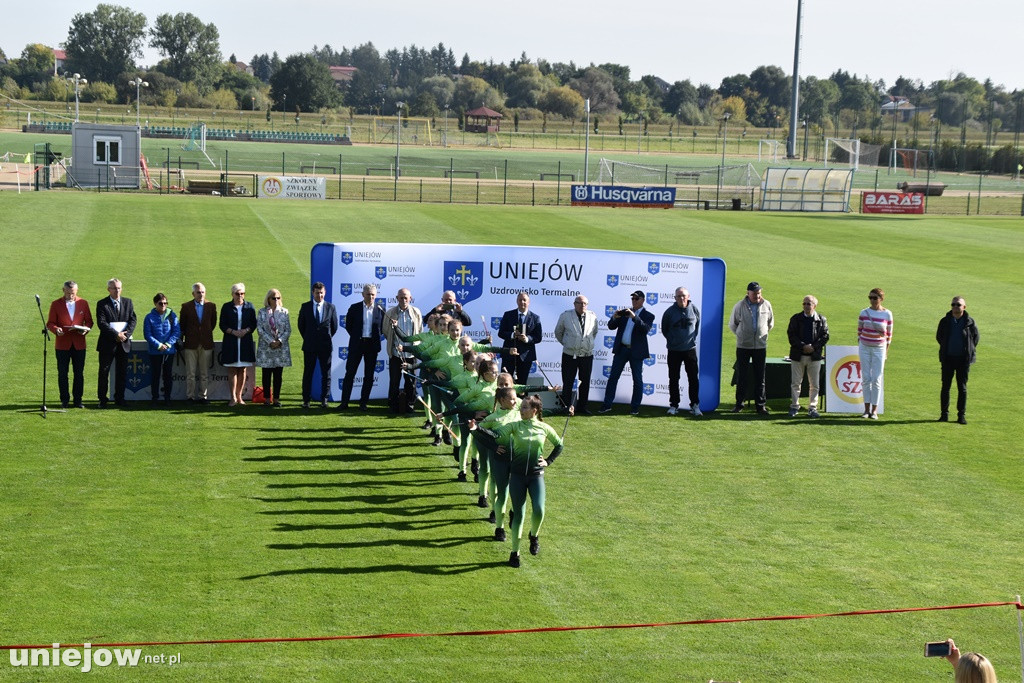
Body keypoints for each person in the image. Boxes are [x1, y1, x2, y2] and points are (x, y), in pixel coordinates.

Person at [476, 395, 564, 568]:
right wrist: (477, 428)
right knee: (519, 515)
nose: (520, 410)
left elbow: (559, 444)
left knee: (539, 510)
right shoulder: (514, 426)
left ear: (534, 410)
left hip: (536, 476)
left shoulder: (544, 428)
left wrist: (548, 461)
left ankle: (534, 536)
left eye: (524, 407)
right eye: (521, 406)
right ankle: (515, 552)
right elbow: (495, 434)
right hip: (516, 476)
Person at [599, 290, 656, 416]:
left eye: (636, 299)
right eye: (632, 299)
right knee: (613, 377)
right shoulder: (625, 313)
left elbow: (645, 329)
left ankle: (635, 407)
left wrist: (634, 317)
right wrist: (614, 317)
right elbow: (611, 326)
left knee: (637, 380)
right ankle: (607, 405)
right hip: (622, 349)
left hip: (636, 352)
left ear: (643, 300)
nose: (634, 301)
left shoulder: (648, 315)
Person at [729, 281, 774, 415]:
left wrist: (761, 335)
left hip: (760, 346)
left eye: (759, 293)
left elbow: (770, 323)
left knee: (760, 377)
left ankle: (760, 405)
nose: (757, 296)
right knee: (742, 376)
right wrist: (741, 335)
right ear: (748, 293)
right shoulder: (739, 305)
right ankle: (739, 404)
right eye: (754, 293)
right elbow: (733, 324)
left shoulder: (767, 304)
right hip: (743, 346)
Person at [46, 280, 93, 409]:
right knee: (62, 373)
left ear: (76, 291)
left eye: (72, 293)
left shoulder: (83, 303)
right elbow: (50, 323)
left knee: (79, 373)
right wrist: (56, 330)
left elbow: (89, 321)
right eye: (68, 293)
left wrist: (85, 330)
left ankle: (78, 400)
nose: (70, 296)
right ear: (63, 291)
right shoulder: (56, 304)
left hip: (79, 343)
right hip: (62, 344)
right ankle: (64, 399)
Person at [340, 283, 384, 410]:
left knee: (369, 376)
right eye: (368, 294)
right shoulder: (354, 308)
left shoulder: (380, 309)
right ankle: (344, 402)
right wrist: (357, 337)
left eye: (373, 295)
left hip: (372, 346)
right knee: (350, 374)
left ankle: (363, 403)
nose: (370, 297)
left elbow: (382, 328)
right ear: (362, 294)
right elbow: (349, 326)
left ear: (376, 295)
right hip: (357, 344)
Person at [936, 296, 979, 425]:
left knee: (962, 388)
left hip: (963, 360)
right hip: (948, 358)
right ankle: (944, 414)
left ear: (964, 307)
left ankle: (961, 415)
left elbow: (975, 339)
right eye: (953, 304)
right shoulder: (945, 321)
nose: (955, 307)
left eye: (958, 305)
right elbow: (939, 337)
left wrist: (967, 350)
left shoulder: (970, 322)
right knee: (945, 387)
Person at [95, 278, 137, 408]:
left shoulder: (128, 302)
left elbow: (133, 320)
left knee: (122, 372)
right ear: (108, 289)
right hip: (107, 344)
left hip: (123, 344)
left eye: (119, 288)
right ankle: (102, 399)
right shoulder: (102, 303)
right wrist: (116, 335)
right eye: (114, 288)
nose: (117, 290)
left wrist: (125, 335)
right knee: (104, 372)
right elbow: (101, 323)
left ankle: (120, 398)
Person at [554, 294, 598, 416]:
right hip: (570, 355)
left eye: (585, 303)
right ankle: (566, 406)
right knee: (567, 382)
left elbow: (594, 332)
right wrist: (568, 343)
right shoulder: (566, 316)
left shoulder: (592, 316)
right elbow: (558, 332)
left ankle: (582, 407)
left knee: (585, 382)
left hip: (586, 355)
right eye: (580, 303)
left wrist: (585, 344)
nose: (582, 305)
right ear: (574, 304)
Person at [297, 282, 339, 409]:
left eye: (321, 293)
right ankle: (306, 399)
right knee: (308, 372)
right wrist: (309, 338)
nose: (319, 295)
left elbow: (334, 326)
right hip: (309, 345)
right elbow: (301, 326)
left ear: (324, 293)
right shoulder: (305, 307)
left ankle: (324, 399)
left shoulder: (331, 307)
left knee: (326, 374)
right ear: (312, 293)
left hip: (325, 346)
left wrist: (324, 339)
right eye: (317, 293)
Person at [786, 295, 829, 418]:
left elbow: (825, 336)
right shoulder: (795, 318)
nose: (806, 306)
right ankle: (794, 406)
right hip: (798, 355)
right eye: (804, 304)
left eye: (808, 304)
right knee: (795, 383)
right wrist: (803, 346)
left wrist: (813, 347)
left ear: (814, 306)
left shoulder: (821, 319)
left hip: (814, 356)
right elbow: (791, 335)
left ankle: (812, 408)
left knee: (814, 384)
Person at [661, 287, 702, 417]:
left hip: (690, 350)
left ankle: (695, 405)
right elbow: (665, 329)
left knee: (693, 379)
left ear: (688, 296)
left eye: (683, 296)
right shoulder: (669, 312)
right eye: (678, 296)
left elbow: (696, 327)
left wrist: (690, 341)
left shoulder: (694, 310)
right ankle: (674, 405)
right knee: (673, 378)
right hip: (674, 350)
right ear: (675, 298)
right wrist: (673, 341)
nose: (681, 298)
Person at [382, 288, 423, 413]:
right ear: (397, 298)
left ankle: (410, 405)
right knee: (394, 381)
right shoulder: (391, 312)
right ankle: (393, 405)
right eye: (401, 297)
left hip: (411, 354)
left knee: (410, 382)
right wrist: (391, 326)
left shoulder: (416, 312)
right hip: (396, 354)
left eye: (406, 297)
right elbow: (385, 332)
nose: (404, 300)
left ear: (410, 298)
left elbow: (419, 331)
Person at [178, 282, 217, 404]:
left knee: (204, 372)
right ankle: (190, 396)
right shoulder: (186, 307)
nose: (201, 294)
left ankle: (202, 396)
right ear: (193, 293)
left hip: (206, 343)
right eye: (198, 292)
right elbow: (182, 325)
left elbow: (213, 323)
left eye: (203, 292)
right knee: (191, 373)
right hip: (191, 344)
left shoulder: (211, 306)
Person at [857, 287, 893, 420]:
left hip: (879, 348)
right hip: (865, 347)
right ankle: (866, 410)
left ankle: (874, 410)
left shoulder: (887, 314)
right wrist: (861, 344)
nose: (872, 300)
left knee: (876, 379)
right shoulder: (864, 312)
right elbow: (859, 331)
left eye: (875, 298)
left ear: (881, 299)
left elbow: (889, 335)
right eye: (870, 298)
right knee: (866, 378)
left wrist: (886, 352)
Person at [219, 283, 257, 406]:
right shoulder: (226, 307)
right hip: (231, 341)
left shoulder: (250, 307)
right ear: (232, 294)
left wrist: (245, 331)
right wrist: (233, 332)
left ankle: (240, 397)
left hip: (245, 342)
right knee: (232, 369)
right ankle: (232, 397)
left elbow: (253, 324)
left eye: (242, 293)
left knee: (242, 369)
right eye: (237, 294)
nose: (240, 296)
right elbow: (222, 324)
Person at [256, 288, 292, 408]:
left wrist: (279, 341)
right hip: (266, 348)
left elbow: (288, 329)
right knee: (266, 374)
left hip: (280, 348)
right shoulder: (262, 312)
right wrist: (270, 341)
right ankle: (267, 398)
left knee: (278, 375)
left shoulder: (284, 312)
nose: (276, 300)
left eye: (278, 298)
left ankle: (276, 399)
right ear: (268, 299)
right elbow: (260, 329)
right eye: (273, 298)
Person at [497, 292, 542, 384]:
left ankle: (521, 399)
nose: (522, 302)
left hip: (525, 356)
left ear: (528, 302)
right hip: (509, 354)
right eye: (520, 300)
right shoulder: (508, 315)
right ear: (516, 301)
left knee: (522, 384)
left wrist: (527, 339)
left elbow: (538, 337)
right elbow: (501, 333)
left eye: (524, 300)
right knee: (505, 382)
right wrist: (513, 335)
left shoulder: (535, 318)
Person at [143, 293, 180, 406]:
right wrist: (159, 345)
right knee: (155, 375)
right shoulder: (149, 317)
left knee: (167, 375)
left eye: (165, 303)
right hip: (155, 351)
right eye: (161, 303)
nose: (163, 305)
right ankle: (155, 398)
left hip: (169, 351)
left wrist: (168, 344)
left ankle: (167, 398)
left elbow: (176, 332)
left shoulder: (172, 316)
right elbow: (147, 334)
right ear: (155, 304)